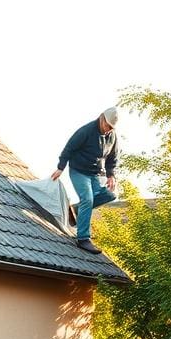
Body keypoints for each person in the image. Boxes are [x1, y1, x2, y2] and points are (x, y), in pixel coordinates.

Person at [50, 106, 119, 255]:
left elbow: (113, 158)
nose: (108, 130)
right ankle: (83, 239)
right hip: (79, 171)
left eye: (111, 128)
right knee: (87, 198)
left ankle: (76, 211)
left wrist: (111, 175)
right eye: (107, 125)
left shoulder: (112, 136)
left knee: (111, 195)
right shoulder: (86, 131)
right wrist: (60, 167)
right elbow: (69, 148)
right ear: (102, 118)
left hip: (95, 174)